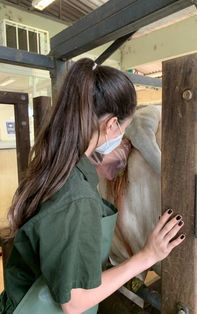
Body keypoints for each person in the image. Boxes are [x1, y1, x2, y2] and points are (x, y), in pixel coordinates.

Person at [0, 58, 185, 314]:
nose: (122, 137)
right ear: (111, 125)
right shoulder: (77, 198)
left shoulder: (56, 164)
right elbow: (74, 302)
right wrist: (148, 255)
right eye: (124, 129)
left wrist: (99, 163)